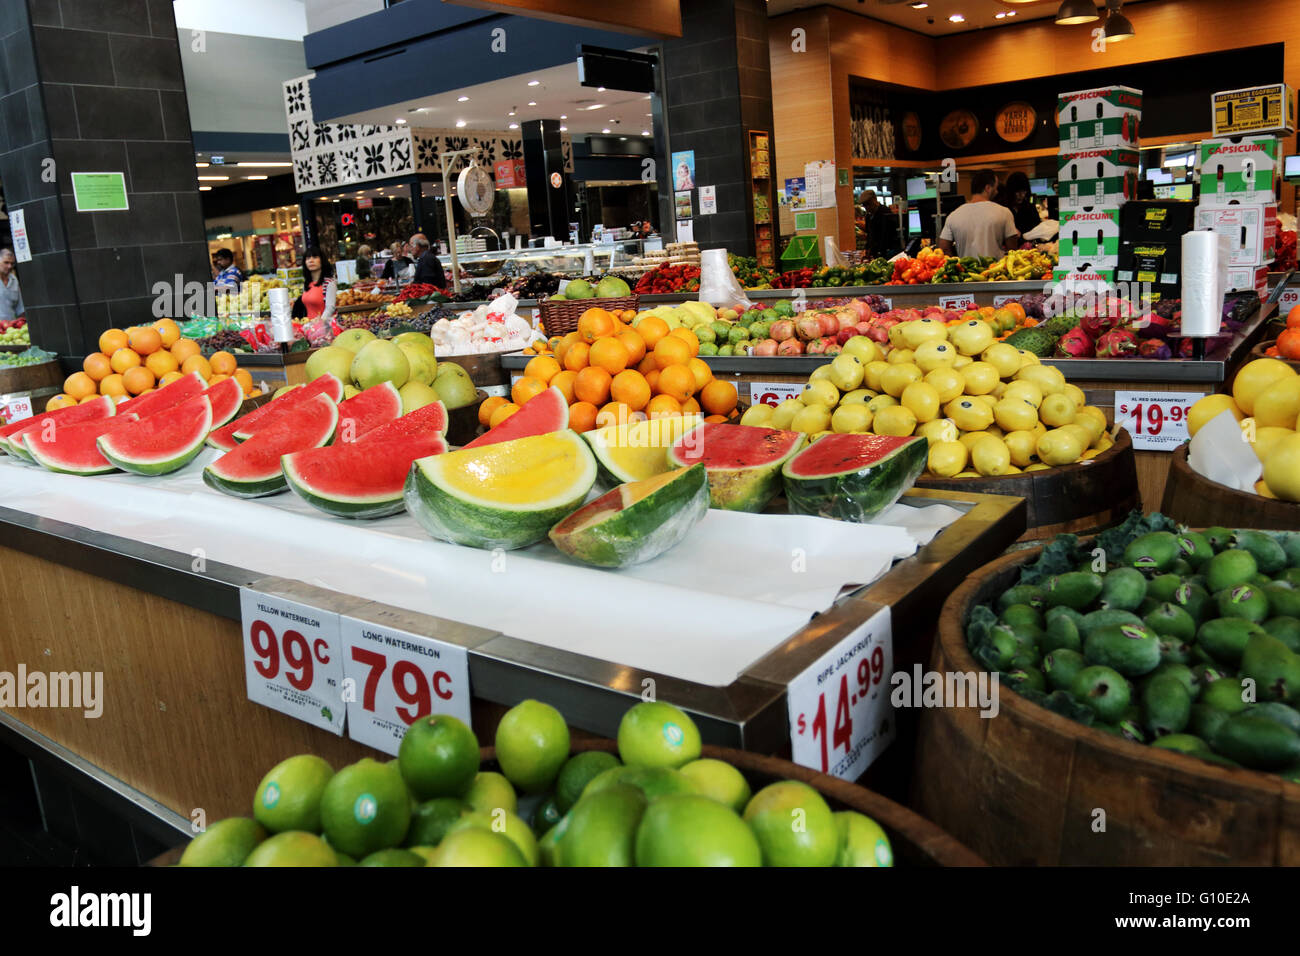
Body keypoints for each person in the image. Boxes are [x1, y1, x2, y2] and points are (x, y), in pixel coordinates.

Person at [938, 171, 1020, 259]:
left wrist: (958, 266)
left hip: (967, 271)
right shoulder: (1004, 212)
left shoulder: (953, 215)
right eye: (995, 188)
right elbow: (1012, 250)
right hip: (996, 270)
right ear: (988, 188)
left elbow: (944, 248)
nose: (996, 192)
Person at [294, 246, 336, 324]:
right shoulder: (306, 283)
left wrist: (320, 322)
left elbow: (330, 308)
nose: (311, 260)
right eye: (308, 258)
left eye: (315, 257)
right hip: (308, 325)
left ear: (322, 260)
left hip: (325, 326)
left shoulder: (329, 283)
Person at [997, 172, 1042, 238]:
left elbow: (1038, 228)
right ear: (1011, 191)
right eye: (1018, 192)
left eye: (1024, 191)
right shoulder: (1001, 207)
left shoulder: (1030, 207)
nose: (1022, 195)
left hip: (1028, 246)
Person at [861, 190, 900, 259]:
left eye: (868, 204)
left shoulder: (885, 213)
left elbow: (886, 237)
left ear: (874, 200)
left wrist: (874, 249)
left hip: (887, 253)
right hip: (875, 254)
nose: (867, 208)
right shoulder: (868, 216)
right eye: (864, 205)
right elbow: (869, 235)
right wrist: (866, 249)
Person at [0, 249, 25, 324]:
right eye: (6, 262)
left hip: (12, 328)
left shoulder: (14, 280)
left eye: (12, 263)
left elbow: (20, 308)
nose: (9, 266)